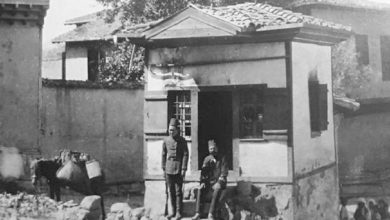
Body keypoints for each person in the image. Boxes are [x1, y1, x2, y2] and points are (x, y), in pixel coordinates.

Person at [192, 139, 228, 220]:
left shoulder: (222, 158)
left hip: (219, 183)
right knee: (200, 189)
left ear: (217, 148)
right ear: (209, 150)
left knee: (217, 190)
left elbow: (224, 173)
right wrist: (203, 182)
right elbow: (203, 173)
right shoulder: (207, 159)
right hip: (209, 184)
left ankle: (211, 214)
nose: (213, 150)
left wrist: (219, 182)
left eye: (214, 148)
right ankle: (198, 213)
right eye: (211, 149)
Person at [162, 118, 189, 220]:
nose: (171, 132)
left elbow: (185, 154)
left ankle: (178, 212)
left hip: (178, 168)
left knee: (178, 191)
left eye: (173, 130)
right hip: (168, 168)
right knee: (171, 191)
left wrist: (184, 168)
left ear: (177, 130)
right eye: (170, 130)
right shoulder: (166, 140)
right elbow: (163, 154)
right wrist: (163, 168)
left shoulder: (182, 141)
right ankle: (172, 212)